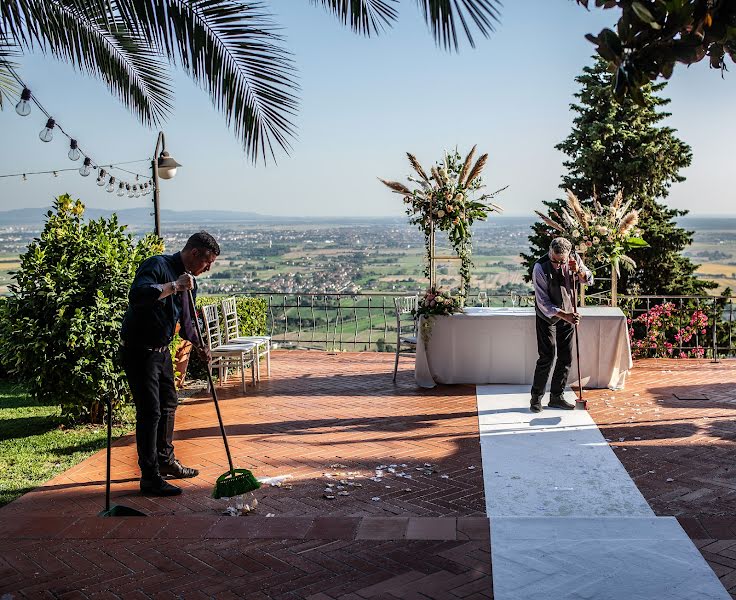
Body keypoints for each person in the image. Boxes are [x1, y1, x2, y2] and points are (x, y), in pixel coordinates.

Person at [121, 231, 219, 496]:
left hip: (162, 351)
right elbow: (138, 297)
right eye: (207, 262)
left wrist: (200, 346)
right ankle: (149, 477)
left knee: (168, 405)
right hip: (139, 352)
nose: (208, 269)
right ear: (195, 253)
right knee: (150, 412)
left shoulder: (192, 284)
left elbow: (187, 322)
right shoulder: (157, 265)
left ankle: (165, 461)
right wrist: (174, 286)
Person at [530, 237, 593, 413]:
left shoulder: (574, 258)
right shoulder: (540, 267)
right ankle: (536, 398)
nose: (557, 264)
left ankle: (556, 397)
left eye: (561, 261)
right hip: (547, 316)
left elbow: (589, 279)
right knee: (547, 356)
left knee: (566, 357)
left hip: (568, 311)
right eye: (554, 260)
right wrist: (564, 315)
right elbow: (542, 301)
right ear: (550, 251)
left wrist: (579, 271)